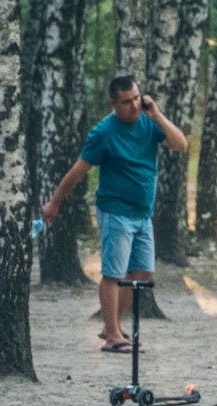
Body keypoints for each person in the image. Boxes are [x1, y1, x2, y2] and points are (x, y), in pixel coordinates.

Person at [42, 76, 188, 353]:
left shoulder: (148, 122)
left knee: (142, 273)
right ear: (114, 104)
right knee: (113, 273)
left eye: (136, 98)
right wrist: (54, 202)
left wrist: (156, 113)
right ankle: (112, 336)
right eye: (126, 101)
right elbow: (79, 169)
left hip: (143, 214)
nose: (133, 105)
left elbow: (180, 144)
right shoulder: (104, 132)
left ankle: (112, 326)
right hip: (115, 212)